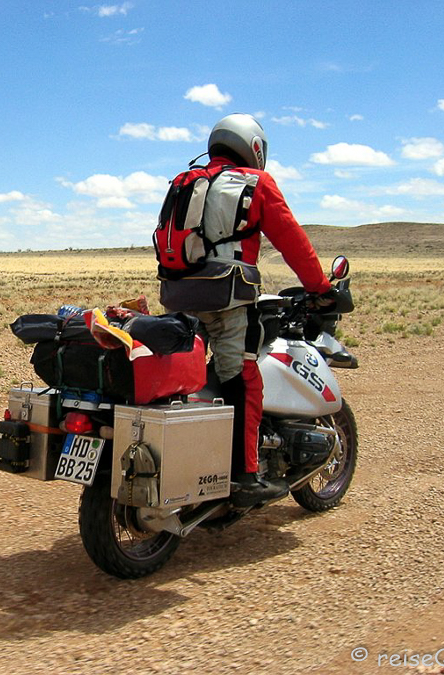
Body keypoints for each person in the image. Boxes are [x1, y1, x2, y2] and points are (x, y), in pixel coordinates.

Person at [157, 113, 334, 507]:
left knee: (186, 377)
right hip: (227, 300)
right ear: (254, 147)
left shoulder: (185, 181)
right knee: (242, 378)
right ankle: (245, 475)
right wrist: (320, 288)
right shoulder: (256, 183)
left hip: (178, 298)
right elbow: (292, 241)